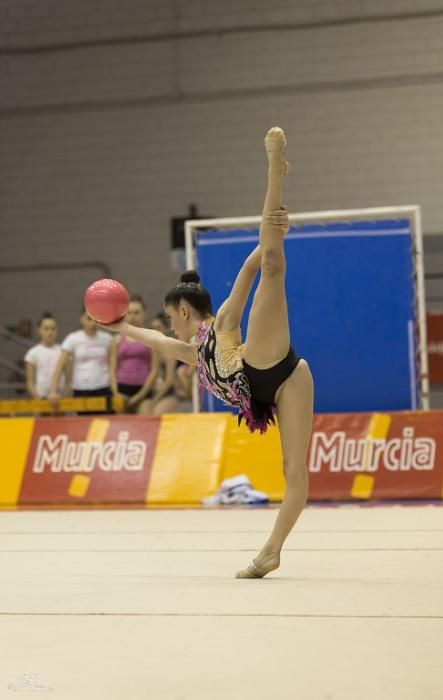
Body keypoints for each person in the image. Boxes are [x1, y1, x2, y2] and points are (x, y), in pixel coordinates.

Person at [98, 127, 314, 578]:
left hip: (270, 364)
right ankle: (273, 551)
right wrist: (120, 326)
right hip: (272, 389)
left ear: (182, 309)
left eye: (168, 315)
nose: (166, 324)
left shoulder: (221, 324)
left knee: (274, 266)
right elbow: (155, 341)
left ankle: (276, 172)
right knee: (291, 469)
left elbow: (252, 267)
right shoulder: (193, 351)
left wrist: (271, 234)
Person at [48, 308, 113, 413]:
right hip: (81, 389)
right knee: (84, 425)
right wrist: (53, 391)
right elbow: (60, 366)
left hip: (103, 387)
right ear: (81, 319)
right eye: (89, 319)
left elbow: (113, 366)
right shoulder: (73, 339)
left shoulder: (108, 339)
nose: (92, 323)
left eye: (96, 320)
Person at [109, 295, 159, 414]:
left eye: (137, 313)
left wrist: (140, 396)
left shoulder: (152, 338)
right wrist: (116, 393)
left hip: (143, 390)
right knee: (121, 428)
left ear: (144, 314)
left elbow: (155, 370)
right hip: (122, 389)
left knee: (145, 426)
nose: (133, 316)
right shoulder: (117, 339)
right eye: (129, 313)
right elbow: (112, 370)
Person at [24, 312, 71, 399]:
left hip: (60, 398)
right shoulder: (32, 353)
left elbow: (68, 381)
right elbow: (30, 383)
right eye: (46, 329)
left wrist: (64, 397)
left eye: (53, 329)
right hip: (41, 398)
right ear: (39, 330)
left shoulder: (63, 352)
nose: (50, 332)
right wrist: (39, 399)